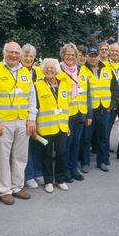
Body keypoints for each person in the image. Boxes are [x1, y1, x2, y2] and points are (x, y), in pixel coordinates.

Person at [0, 41, 37, 205]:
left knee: (21, 156)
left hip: (22, 121)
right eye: (10, 52)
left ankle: (17, 187)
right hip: (2, 122)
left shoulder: (25, 73)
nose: (13, 55)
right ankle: (5, 190)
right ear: (4, 53)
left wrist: (31, 118)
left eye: (16, 52)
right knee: (2, 158)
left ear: (20, 55)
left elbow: (31, 97)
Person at [80, 49, 119, 172]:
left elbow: (115, 90)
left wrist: (111, 106)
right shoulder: (82, 70)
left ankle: (102, 161)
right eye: (90, 56)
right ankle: (85, 163)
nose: (93, 58)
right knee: (86, 138)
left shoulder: (107, 69)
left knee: (103, 137)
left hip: (105, 110)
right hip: (90, 110)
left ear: (99, 56)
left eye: (95, 56)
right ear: (87, 57)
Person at [34, 58, 71, 193]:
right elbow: (35, 107)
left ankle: (60, 179)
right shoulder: (37, 85)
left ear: (56, 70)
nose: (50, 70)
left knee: (62, 153)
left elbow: (66, 105)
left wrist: (67, 124)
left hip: (61, 126)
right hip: (45, 127)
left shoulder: (63, 84)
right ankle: (48, 181)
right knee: (46, 155)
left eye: (52, 68)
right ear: (43, 70)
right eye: (47, 68)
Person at [60, 43, 92, 183]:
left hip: (81, 112)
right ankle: (65, 170)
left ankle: (74, 169)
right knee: (66, 143)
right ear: (63, 56)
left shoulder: (82, 71)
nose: (71, 57)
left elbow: (88, 94)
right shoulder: (58, 71)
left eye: (73, 55)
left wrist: (89, 114)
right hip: (67, 114)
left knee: (76, 143)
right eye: (68, 55)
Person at [20, 44, 44, 189]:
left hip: (40, 113)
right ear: (21, 57)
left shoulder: (38, 72)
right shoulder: (17, 72)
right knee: (26, 146)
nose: (28, 58)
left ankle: (38, 172)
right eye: (26, 55)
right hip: (25, 115)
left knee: (38, 143)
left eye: (31, 56)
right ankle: (29, 175)